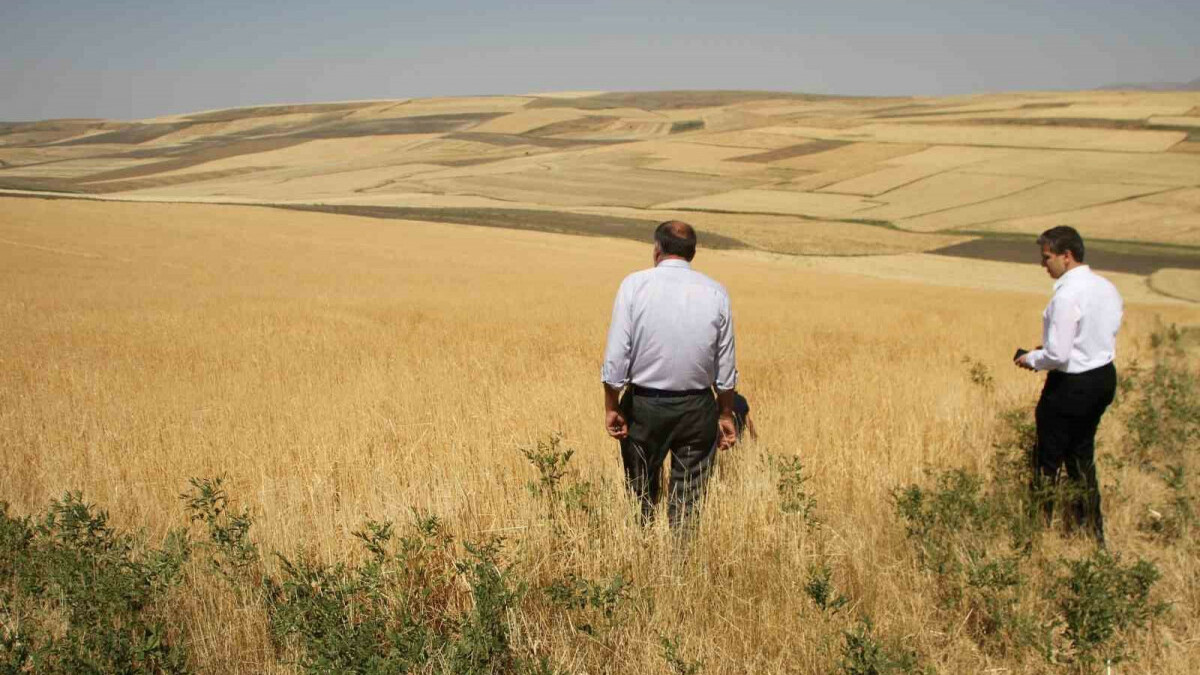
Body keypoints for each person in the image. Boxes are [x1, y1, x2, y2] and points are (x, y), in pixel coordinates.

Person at [601, 221, 739, 530]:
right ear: (693, 253)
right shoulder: (716, 292)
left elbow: (616, 357)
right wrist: (725, 412)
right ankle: (682, 558)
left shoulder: (634, 285)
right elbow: (726, 364)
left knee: (641, 497)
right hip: (697, 409)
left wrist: (612, 406)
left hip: (644, 407)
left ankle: (643, 551)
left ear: (657, 250)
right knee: (688, 503)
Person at [1015, 226, 1122, 545]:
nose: (1043, 264)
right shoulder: (1107, 287)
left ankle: (1035, 537)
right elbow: (1104, 332)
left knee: (1047, 461)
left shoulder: (1066, 296)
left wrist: (1031, 358)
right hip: (1103, 377)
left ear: (1067, 256)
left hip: (1070, 385)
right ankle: (1092, 534)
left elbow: (1058, 355)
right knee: (1081, 457)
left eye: (1047, 257)